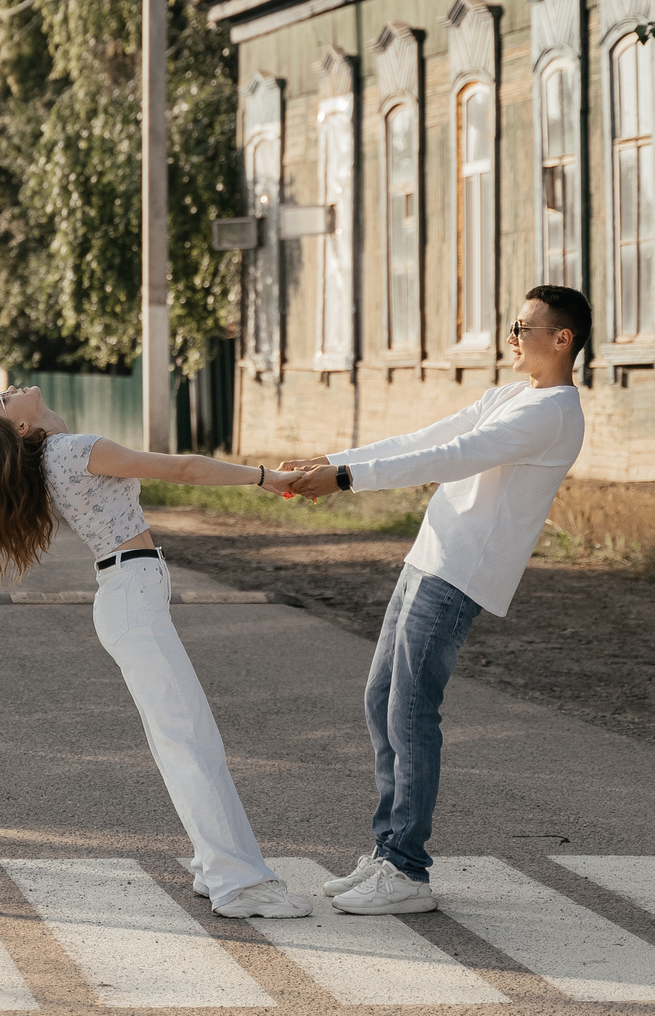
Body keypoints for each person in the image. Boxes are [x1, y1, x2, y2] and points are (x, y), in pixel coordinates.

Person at [274, 284, 591, 918]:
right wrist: (333, 461)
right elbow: (422, 437)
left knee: (412, 711)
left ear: (562, 339)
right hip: (430, 557)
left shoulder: (550, 412)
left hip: (461, 573)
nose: (512, 336)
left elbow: (450, 458)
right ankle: (388, 850)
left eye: (523, 328)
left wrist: (341, 480)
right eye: (512, 325)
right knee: (381, 699)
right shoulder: (510, 396)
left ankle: (406, 870)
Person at [0, 385, 314, 919]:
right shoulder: (75, 450)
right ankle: (239, 884)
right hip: (132, 598)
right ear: (21, 431)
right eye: (2, 404)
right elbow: (186, 469)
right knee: (191, 740)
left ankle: (214, 865)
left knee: (183, 739)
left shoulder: (56, 454)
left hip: (131, 595)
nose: (8, 391)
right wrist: (266, 477)